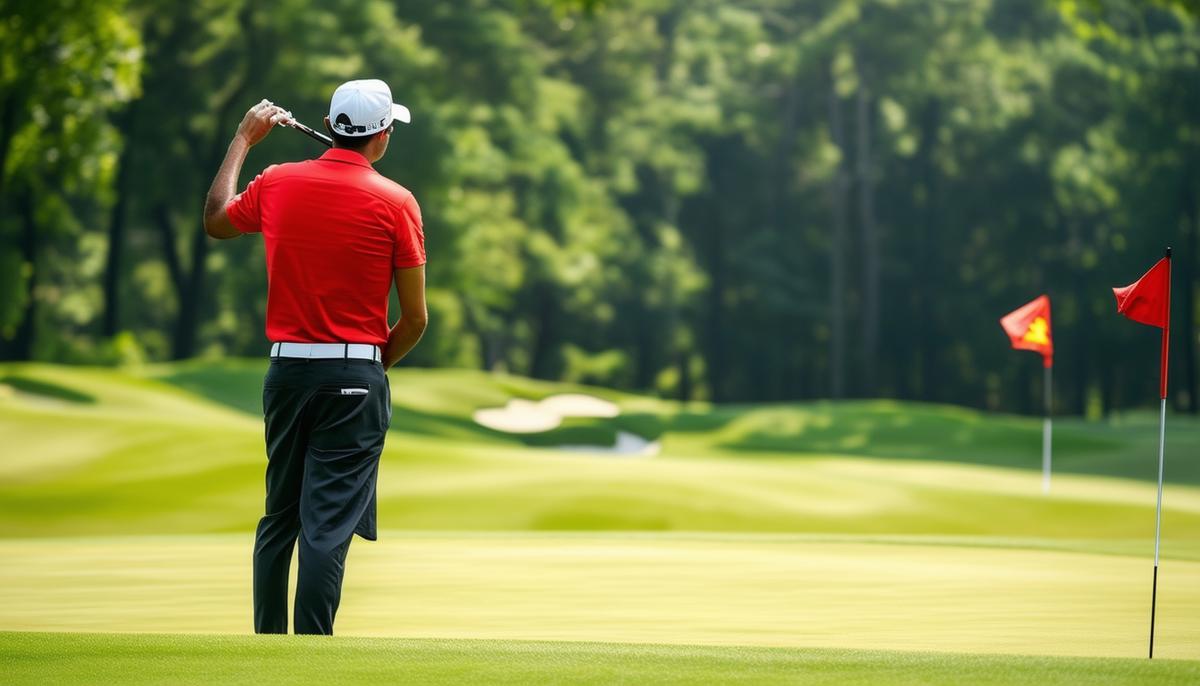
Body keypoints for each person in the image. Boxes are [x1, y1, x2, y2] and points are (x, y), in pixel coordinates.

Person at [202, 79, 428, 635]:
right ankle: (310, 657)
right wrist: (369, 371)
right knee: (324, 528)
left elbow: (215, 219)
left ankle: (269, 650)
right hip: (355, 371)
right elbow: (416, 320)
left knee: (280, 517)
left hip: (286, 372)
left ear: (329, 127)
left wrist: (243, 140)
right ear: (382, 136)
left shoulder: (277, 182)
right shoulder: (397, 202)